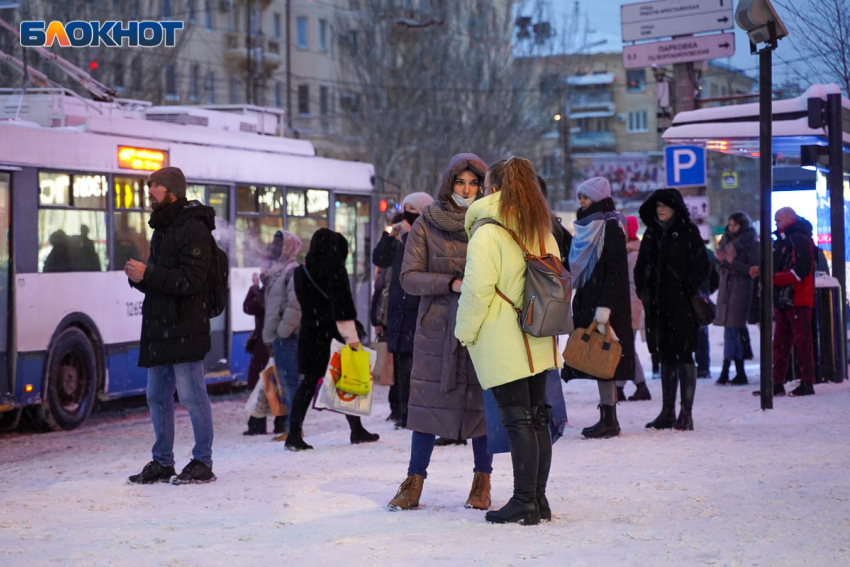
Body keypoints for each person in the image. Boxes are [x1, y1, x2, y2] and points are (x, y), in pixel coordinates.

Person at [456, 156, 561, 525]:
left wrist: (464, 332)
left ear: (493, 188)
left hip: (504, 336)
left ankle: (523, 501)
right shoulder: (542, 228)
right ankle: (539, 499)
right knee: (537, 419)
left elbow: (477, 290)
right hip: (539, 333)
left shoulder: (487, 231)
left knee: (519, 422)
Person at [388, 153, 491, 512]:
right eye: (461, 182)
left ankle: (482, 481)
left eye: (473, 183)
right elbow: (408, 277)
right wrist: (450, 283)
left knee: (481, 404)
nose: (466, 190)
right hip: (437, 327)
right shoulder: (427, 223)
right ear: (450, 184)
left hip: (482, 324)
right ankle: (414, 480)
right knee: (426, 405)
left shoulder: (492, 220)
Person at [126, 166, 217, 484]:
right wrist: (140, 278)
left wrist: (148, 274)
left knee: (192, 396)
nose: (149, 191)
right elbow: (165, 279)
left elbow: (190, 281)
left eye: (155, 186)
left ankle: (202, 462)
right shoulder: (162, 226)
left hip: (185, 327)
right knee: (157, 396)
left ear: (172, 190)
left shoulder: (194, 228)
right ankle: (162, 461)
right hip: (159, 327)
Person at [287, 228, 380, 451]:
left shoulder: (301, 271)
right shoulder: (335, 269)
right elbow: (344, 309)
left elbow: (304, 303)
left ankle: (293, 433)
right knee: (348, 381)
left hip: (310, 334)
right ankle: (356, 430)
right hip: (332, 337)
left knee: (307, 385)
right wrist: (353, 340)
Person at [563, 177, 635, 439]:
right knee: (596, 357)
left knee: (606, 359)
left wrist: (604, 307)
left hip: (606, 305)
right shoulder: (584, 226)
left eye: (586, 196)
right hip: (588, 299)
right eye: (580, 196)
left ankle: (610, 419)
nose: (581, 201)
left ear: (598, 197)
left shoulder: (610, 226)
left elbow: (615, 271)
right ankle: (607, 417)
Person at [636, 188, 709, 432]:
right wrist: (644, 290)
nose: (660, 210)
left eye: (665, 206)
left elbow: (702, 264)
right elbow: (641, 266)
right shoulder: (651, 234)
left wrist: (687, 287)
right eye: (657, 206)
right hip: (657, 305)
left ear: (675, 208)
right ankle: (668, 411)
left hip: (682, 306)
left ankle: (686, 413)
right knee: (665, 355)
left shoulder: (688, 232)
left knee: (684, 354)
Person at [372, 193, 434, 430]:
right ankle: (400, 411)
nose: (407, 214)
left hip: (418, 309)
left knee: (414, 367)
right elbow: (379, 258)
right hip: (399, 309)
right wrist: (389, 236)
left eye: (413, 209)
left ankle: (413, 414)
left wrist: (409, 234)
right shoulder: (399, 236)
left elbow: (420, 259)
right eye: (405, 209)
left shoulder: (427, 234)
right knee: (400, 364)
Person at [750, 207, 816, 397]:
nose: (776, 223)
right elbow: (792, 267)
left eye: (778, 220)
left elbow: (800, 270)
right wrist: (766, 272)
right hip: (789, 297)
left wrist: (771, 277)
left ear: (790, 219)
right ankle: (781, 381)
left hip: (795, 297)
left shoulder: (796, 239)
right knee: (784, 342)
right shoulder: (790, 239)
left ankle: (801, 382)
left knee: (794, 342)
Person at [251, 230, 302, 439]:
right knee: (284, 382)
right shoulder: (278, 270)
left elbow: (295, 305)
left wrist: (281, 333)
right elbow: (271, 305)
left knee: (290, 383)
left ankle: (294, 429)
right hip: (277, 336)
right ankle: (291, 427)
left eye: (278, 243)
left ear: (288, 246)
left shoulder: (292, 271)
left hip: (286, 337)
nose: (273, 247)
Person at [714, 213, 759, 386]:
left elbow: (752, 270)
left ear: (742, 226)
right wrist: (722, 261)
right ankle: (738, 372)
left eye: (734, 225)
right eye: (729, 225)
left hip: (740, 289)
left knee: (732, 330)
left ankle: (728, 371)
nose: (731, 228)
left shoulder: (751, 243)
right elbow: (720, 267)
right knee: (732, 331)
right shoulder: (725, 241)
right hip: (726, 288)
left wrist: (730, 261)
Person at [372, 212, 405, 425]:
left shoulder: (410, 249)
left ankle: (402, 409)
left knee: (404, 365)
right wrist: (377, 320)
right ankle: (396, 407)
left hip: (401, 314)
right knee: (395, 364)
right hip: (389, 314)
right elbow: (379, 288)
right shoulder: (390, 249)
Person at [616, 216, 651, 401]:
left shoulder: (634, 254)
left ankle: (638, 386)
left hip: (631, 307)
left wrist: (626, 308)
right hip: (627, 306)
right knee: (625, 347)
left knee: (625, 347)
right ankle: (628, 387)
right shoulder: (626, 251)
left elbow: (633, 285)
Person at [695, 236, 719, 379]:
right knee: (701, 333)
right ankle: (703, 367)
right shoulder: (708, 253)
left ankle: (686, 367)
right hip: (701, 297)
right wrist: (706, 291)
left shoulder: (683, 252)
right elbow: (716, 279)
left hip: (685, 297)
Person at [243, 272, 270, 395]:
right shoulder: (274, 288)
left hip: (266, 340)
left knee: (260, 384)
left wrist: (254, 287)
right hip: (269, 340)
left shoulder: (269, 291)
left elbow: (249, 307)